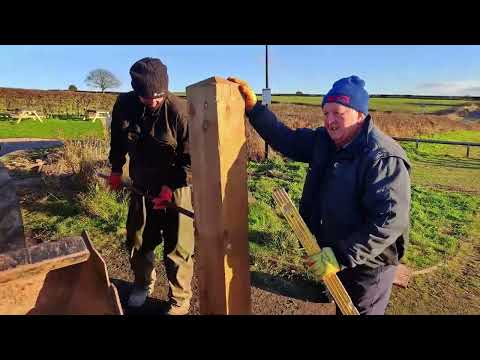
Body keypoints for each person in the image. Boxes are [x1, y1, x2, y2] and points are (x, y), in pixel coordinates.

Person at [228, 75, 411, 315]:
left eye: (338, 113)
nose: (330, 121)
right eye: (326, 113)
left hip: (368, 264)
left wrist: (341, 256)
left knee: (358, 311)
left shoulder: (382, 157)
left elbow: (388, 222)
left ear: (360, 114)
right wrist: (254, 109)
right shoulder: (325, 141)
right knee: (341, 306)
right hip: (334, 250)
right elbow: (287, 140)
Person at [108, 57, 194, 315]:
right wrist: (115, 169)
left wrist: (170, 187)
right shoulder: (124, 106)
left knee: (178, 246)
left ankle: (179, 298)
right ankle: (143, 283)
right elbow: (117, 141)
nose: (154, 102)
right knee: (138, 240)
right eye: (147, 98)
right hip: (141, 184)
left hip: (175, 186)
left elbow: (189, 160)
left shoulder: (179, 112)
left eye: (159, 97)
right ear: (136, 92)